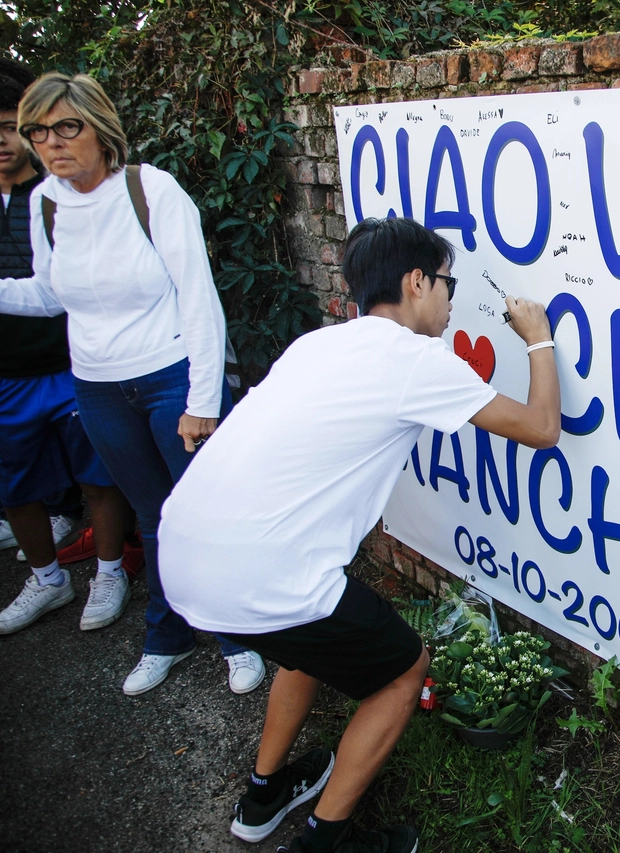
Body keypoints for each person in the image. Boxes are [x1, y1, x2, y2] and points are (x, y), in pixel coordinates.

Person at [158, 217, 561, 853]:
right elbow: (542, 428)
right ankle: (327, 841)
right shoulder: (418, 360)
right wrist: (538, 339)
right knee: (404, 672)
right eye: (447, 283)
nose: (452, 300)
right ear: (417, 281)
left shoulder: (318, 344)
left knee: (304, 637)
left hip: (182, 554)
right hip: (258, 573)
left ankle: (264, 796)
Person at [0, 72, 265, 695]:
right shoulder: (46, 205)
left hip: (172, 376)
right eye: (38, 131)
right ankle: (167, 635)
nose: (52, 143)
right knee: (151, 516)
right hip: (96, 388)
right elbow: (48, 294)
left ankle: (236, 636)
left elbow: (198, 297)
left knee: (203, 512)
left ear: (100, 127)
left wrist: (203, 401)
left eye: (67, 126)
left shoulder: (150, 190)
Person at [0, 59, 137, 636]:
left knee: (98, 477)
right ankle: (48, 579)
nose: (20, 142)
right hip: (8, 374)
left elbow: (56, 292)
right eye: (35, 131)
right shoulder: (45, 201)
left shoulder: (58, 198)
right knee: (16, 485)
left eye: (13, 127)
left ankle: (110, 571)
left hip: (71, 366)